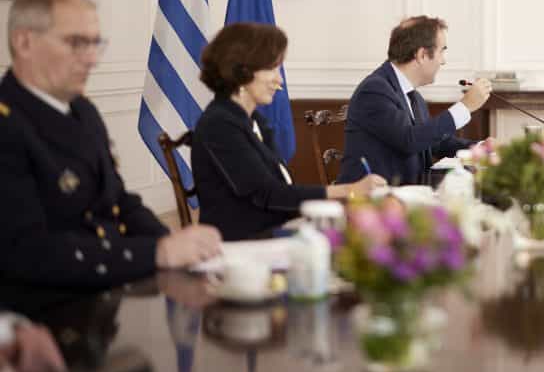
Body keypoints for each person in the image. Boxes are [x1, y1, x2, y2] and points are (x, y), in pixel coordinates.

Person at [0, 0, 221, 290]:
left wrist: (172, 242)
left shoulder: (83, 111)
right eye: (77, 43)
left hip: (106, 290)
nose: (92, 59)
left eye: (95, 43)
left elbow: (118, 201)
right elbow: (28, 252)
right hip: (46, 308)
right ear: (24, 43)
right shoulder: (8, 126)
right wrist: (155, 253)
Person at [191, 23, 387, 241]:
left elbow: (281, 188)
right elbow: (268, 194)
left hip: (274, 231)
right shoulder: (219, 125)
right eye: (272, 69)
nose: (279, 80)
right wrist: (348, 190)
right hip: (246, 243)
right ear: (242, 71)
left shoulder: (253, 120)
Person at [338, 16, 492, 185]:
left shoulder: (412, 95)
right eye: (442, 51)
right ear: (422, 55)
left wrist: (480, 148)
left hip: (404, 193)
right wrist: (465, 107)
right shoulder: (374, 90)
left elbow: (434, 142)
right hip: (372, 198)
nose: (443, 61)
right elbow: (409, 140)